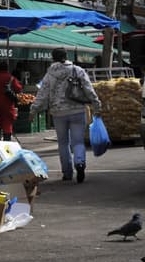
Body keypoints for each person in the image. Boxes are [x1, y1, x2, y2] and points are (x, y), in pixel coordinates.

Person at [30, 47, 101, 183]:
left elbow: (42, 94)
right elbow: (89, 89)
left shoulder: (49, 74)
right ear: (66, 56)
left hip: (58, 113)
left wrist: (34, 110)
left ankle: (67, 173)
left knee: (63, 143)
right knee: (78, 141)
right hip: (77, 110)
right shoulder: (77, 70)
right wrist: (97, 105)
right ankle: (80, 163)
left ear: (53, 58)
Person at [0, 62, 22, 140]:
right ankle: (6, 142)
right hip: (7, 105)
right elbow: (18, 89)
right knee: (7, 124)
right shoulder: (11, 78)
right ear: (7, 68)